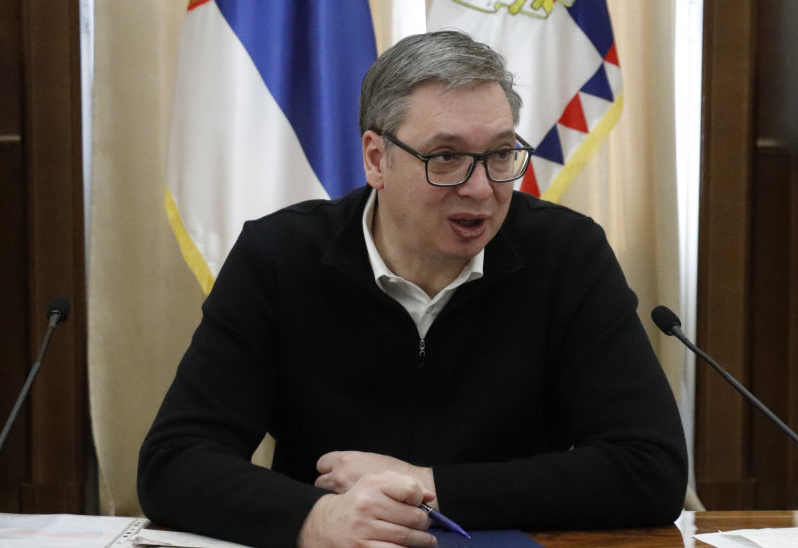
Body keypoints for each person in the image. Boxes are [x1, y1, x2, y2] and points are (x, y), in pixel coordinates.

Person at [138, 30, 688, 548]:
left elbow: (650, 467)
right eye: (446, 157)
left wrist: (428, 485)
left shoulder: (566, 255)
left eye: (500, 154)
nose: (481, 188)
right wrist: (315, 519)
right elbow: (175, 460)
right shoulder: (280, 256)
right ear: (377, 159)